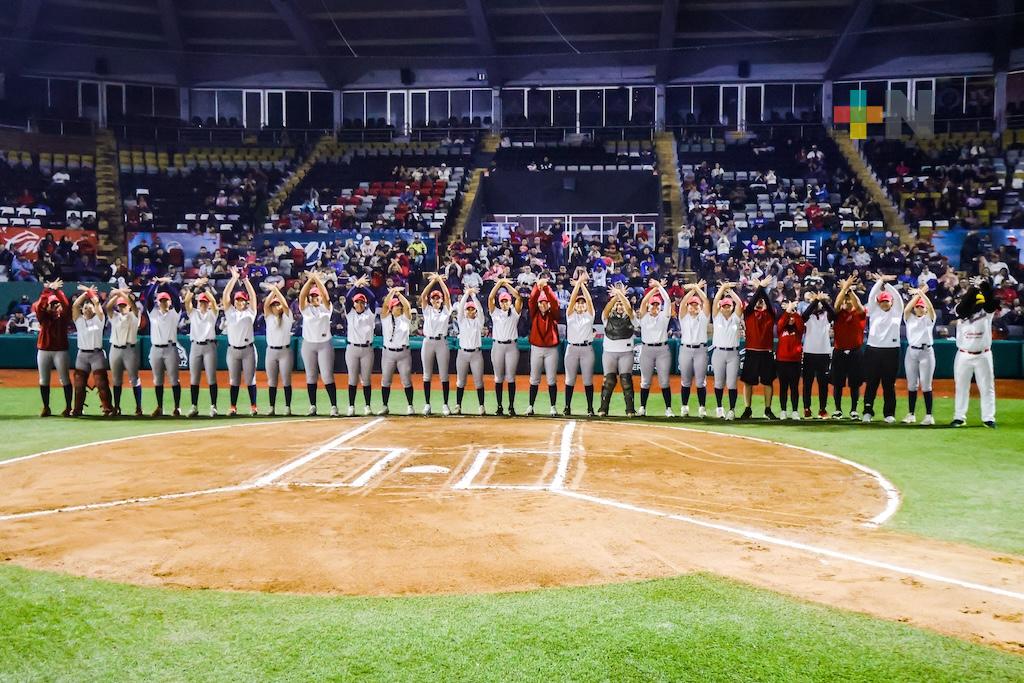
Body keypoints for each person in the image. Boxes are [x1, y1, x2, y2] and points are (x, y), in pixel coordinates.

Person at [951, 276, 998, 428]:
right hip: (964, 354)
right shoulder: (960, 309)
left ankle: (988, 418)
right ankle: (959, 417)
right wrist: (973, 290)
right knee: (961, 387)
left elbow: (990, 301)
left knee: (987, 387)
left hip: (983, 354)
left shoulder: (987, 311)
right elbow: (963, 306)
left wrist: (983, 285)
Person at [861, 273, 903, 423]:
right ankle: (867, 411)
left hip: (891, 351)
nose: (884, 304)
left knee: (888, 384)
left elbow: (898, 298)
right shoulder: (874, 311)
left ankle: (889, 413)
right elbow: (871, 297)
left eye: (887, 301)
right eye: (882, 301)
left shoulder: (897, 312)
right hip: (873, 350)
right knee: (871, 383)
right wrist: (880, 281)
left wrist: (887, 284)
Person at [298, 271, 339, 416]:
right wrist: (311, 281)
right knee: (311, 376)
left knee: (327, 376)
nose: (315, 297)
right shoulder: (306, 310)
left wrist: (317, 280)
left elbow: (326, 296)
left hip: (324, 345)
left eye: (317, 295)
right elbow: (301, 296)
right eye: (313, 296)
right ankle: (313, 406)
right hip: (308, 345)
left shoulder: (326, 309)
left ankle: (334, 406)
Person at [70, 286, 113, 416]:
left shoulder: (99, 319)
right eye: (85, 307)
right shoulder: (79, 320)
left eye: (90, 307)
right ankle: (77, 408)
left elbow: (98, 304)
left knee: (101, 383)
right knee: (79, 383)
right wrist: (85, 294)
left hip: (96, 354)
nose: (87, 308)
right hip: (82, 354)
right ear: (82, 311)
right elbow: (75, 305)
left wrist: (92, 296)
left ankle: (107, 408)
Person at [740, 277, 779, 420]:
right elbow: (751, 304)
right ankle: (747, 408)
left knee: (768, 382)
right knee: (748, 382)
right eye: (757, 301)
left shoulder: (770, 313)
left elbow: (768, 302)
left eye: (760, 301)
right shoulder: (748, 313)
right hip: (752, 351)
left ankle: (767, 409)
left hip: (766, 352)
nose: (759, 302)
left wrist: (761, 289)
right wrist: (760, 288)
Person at [144, 277, 183, 417]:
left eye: (166, 300)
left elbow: (177, 299)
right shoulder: (153, 312)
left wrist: (167, 285)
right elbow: (147, 298)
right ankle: (160, 407)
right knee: (158, 380)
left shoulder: (175, 313)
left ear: (169, 301)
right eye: (161, 300)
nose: (163, 302)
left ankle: (177, 407)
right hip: (156, 349)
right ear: (157, 302)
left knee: (174, 379)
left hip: (170, 349)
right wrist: (156, 284)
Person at [33, 281, 73, 417]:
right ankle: (46, 407)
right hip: (44, 350)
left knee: (65, 379)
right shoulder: (43, 317)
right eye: (52, 304)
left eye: (57, 304)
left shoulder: (64, 317)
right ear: (48, 306)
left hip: (60, 351)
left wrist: (57, 292)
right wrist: (47, 290)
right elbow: (39, 307)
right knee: (44, 379)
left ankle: (68, 407)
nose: (56, 306)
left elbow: (66, 305)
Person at [598, 283, 637, 417]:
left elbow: (629, 309)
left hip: (626, 353)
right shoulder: (607, 318)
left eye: (621, 304)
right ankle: (603, 408)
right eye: (618, 305)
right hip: (610, 352)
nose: (620, 307)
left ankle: (630, 409)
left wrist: (620, 295)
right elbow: (606, 309)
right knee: (608, 381)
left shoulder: (632, 318)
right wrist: (615, 296)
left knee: (626, 380)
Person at [830, 274, 866, 419]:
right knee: (837, 383)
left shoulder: (859, 314)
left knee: (855, 383)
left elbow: (859, 306)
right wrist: (844, 289)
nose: (847, 302)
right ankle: (838, 409)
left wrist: (849, 291)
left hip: (855, 351)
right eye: (846, 299)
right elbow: (836, 305)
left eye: (848, 299)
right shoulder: (838, 314)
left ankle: (853, 410)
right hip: (839, 351)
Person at [183, 278, 219, 417]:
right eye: (201, 302)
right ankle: (194, 406)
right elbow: (187, 301)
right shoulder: (194, 313)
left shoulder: (212, 313)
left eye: (205, 302)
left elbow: (215, 303)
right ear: (198, 303)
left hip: (209, 346)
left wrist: (203, 289)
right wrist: (193, 288)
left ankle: (213, 406)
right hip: (196, 346)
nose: (203, 304)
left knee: (211, 377)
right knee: (194, 378)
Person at [487, 277, 522, 416]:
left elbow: (518, 297)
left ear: (509, 301)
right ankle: (500, 406)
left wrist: (506, 284)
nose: (504, 303)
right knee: (498, 377)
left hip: (511, 346)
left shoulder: (514, 313)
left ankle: (511, 406)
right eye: (502, 301)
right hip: (498, 346)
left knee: (511, 377)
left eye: (506, 300)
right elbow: (490, 298)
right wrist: (500, 283)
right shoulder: (495, 313)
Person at [105, 287, 143, 416]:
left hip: (129, 350)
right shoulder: (115, 316)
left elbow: (134, 307)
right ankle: (116, 407)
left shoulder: (134, 316)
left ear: (128, 306)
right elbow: (108, 308)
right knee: (116, 380)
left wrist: (123, 294)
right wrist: (116, 295)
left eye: (124, 305)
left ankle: (138, 407)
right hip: (115, 349)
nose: (122, 308)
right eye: (120, 306)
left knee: (134, 378)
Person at [675, 281, 710, 418]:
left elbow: (706, 301)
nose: (693, 307)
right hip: (686, 349)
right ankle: (684, 406)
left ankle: (702, 407)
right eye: (692, 304)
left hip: (700, 350)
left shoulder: (703, 317)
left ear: (699, 307)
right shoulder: (684, 317)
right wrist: (693, 290)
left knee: (701, 381)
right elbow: (683, 302)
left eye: (696, 304)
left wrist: (697, 289)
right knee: (685, 380)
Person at [419, 274, 453, 416]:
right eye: (433, 298)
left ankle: (445, 404)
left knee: (444, 375)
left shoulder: (446, 310)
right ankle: (427, 404)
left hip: (441, 342)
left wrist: (440, 281)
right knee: (427, 375)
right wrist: (433, 281)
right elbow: (423, 296)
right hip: (428, 341)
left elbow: (447, 296)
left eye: (437, 298)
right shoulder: (427, 310)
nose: (435, 300)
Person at [526, 276, 560, 416]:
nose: (543, 304)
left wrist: (546, 288)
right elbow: (531, 300)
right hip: (537, 348)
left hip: (551, 350)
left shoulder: (553, 315)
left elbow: (555, 302)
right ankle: (530, 406)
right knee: (534, 379)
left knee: (551, 379)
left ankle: (552, 406)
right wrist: (537, 286)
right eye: (541, 302)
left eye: (545, 302)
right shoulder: (534, 314)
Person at [563, 274, 596, 416]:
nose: (581, 304)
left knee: (588, 379)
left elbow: (589, 300)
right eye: (579, 303)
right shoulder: (570, 315)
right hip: (572, 349)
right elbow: (571, 300)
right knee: (570, 379)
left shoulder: (590, 315)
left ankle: (590, 408)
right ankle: (567, 406)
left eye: (582, 303)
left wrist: (582, 284)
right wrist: (578, 285)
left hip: (586, 349)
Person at [902, 287, 936, 425]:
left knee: (926, 385)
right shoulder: (910, 319)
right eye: (917, 307)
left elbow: (931, 308)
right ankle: (911, 414)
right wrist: (917, 295)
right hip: (912, 352)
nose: (919, 309)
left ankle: (929, 416)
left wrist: (921, 293)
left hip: (926, 352)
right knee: (911, 385)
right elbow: (906, 309)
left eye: (921, 307)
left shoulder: (929, 319)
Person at [344, 276, 377, 416]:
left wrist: (362, 287)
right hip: (352, 349)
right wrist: (356, 286)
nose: (360, 304)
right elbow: (347, 298)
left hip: (366, 349)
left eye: (362, 302)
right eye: (357, 301)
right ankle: (351, 406)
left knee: (366, 378)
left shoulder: (370, 314)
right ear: (354, 304)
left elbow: (373, 298)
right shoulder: (350, 314)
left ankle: (367, 406)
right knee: (352, 378)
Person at [379, 287, 415, 415]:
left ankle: (410, 405)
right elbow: (384, 306)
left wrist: (399, 295)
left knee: (406, 380)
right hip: (388, 353)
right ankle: (384, 405)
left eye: (399, 306)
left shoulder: (405, 319)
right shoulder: (386, 318)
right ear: (391, 308)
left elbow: (407, 307)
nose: (399, 307)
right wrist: (391, 293)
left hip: (403, 353)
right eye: (396, 306)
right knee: (386, 380)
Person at [710, 283, 742, 419]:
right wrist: (723, 289)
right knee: (718, 382)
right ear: (721, 308)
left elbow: (740, 303)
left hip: (733, 353)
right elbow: (716, 301)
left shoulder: (736, 318)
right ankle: (719, 407)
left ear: (731, 307)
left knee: (732, 383)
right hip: (718, 352)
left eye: (728, 306)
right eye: (724, 306)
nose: (726, 308)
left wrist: (730, 291)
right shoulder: (717, 317)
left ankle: (732, 410)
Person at [801, 292, 833, 419]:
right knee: (807, 383)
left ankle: (822, 409)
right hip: (809, 352)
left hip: (824, 353)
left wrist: (823, 300)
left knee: (823, 383)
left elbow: (833, 313)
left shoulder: (826, 315)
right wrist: (815, 301)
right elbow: (804, 314)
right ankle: (807, 408)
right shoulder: (808, 317)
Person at [263, 284, 294, 416]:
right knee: (272, 381)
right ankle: (272, 407)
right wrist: (273, 292)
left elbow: (285, 306)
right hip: (271, 351)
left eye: (278, 304)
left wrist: (276, 290)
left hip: (284, 351)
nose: (276, 307)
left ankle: (287, 407)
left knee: (286, 380)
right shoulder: (269, 317)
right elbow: (265, 305)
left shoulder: (287, 317)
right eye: (274, 305)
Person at [454, 288, 486, 415]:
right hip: (462, 354)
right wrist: (466, 294)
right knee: (460, 381)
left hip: (476, 354)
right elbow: (460, 309)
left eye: (472, 309)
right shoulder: (462, 321)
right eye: (469, 309)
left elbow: (481, 310)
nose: (471, 311)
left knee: (478, 381)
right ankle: (458, 405)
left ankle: (481, 406)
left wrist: (473, 296)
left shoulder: (479, 322)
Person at [775, 300, 805, 420]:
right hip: (782, 361)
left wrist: (794, 312)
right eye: (789, 317)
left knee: (794, 387)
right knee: (783, 387)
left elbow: (800, 323)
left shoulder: (798, 330)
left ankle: (794, 411)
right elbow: (782, 321)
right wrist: (788, 311)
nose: (791, 319)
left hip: (795, 362)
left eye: (793, 316)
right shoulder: (781, 329)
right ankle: (783, 410)